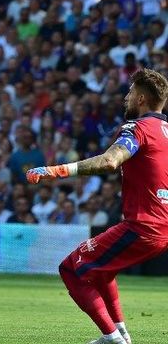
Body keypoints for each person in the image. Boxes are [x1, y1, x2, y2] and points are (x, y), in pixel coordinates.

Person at [26, 69, 168, 344]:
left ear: (140, 98)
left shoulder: (137, 128)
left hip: (143, 224)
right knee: (102, 273)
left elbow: (109, 161)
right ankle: (121, 335)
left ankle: (111, 338)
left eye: (129, 93)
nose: (126, 98)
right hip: (162, 227)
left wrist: (55, 171)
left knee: (71, 268)